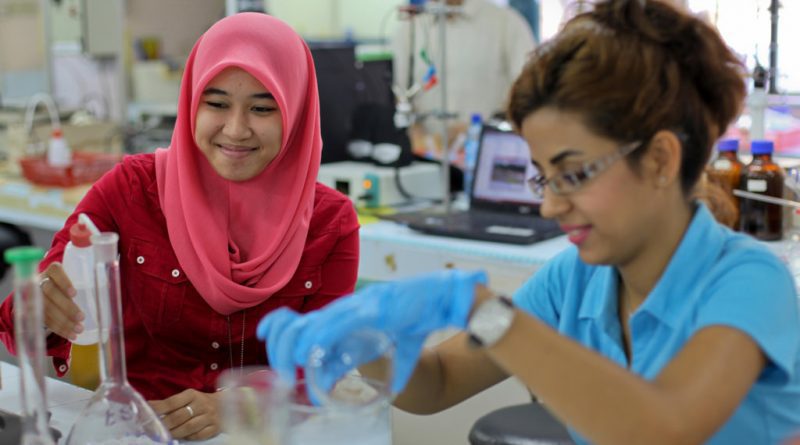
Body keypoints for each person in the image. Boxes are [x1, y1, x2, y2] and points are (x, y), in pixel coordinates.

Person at [259, 1, 800, 444]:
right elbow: (440, 385)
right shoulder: (576, 281)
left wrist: (481, 311)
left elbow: (664, 427)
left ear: (659, 160)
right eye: (543, 177)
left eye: (572, 173)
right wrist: (370, 342)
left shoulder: (748, 282)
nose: (549, 206)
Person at [0, 13, 360, 441]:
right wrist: (40, 310)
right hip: (135, 430)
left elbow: (323, 364)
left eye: (263, 108)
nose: (236, 129)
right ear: (192, 100)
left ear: (297, 112)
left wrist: (240, 404)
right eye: (217, 103)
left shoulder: (331, 224)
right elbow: (18, 326)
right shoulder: (131, 188)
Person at [392, 0, 536, 141]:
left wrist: (481, 130)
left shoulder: (506, 23)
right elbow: (398, 93)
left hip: (487, 150)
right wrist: (417, 136)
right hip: (425, 156)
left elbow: (529, 93)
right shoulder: (411, 28)